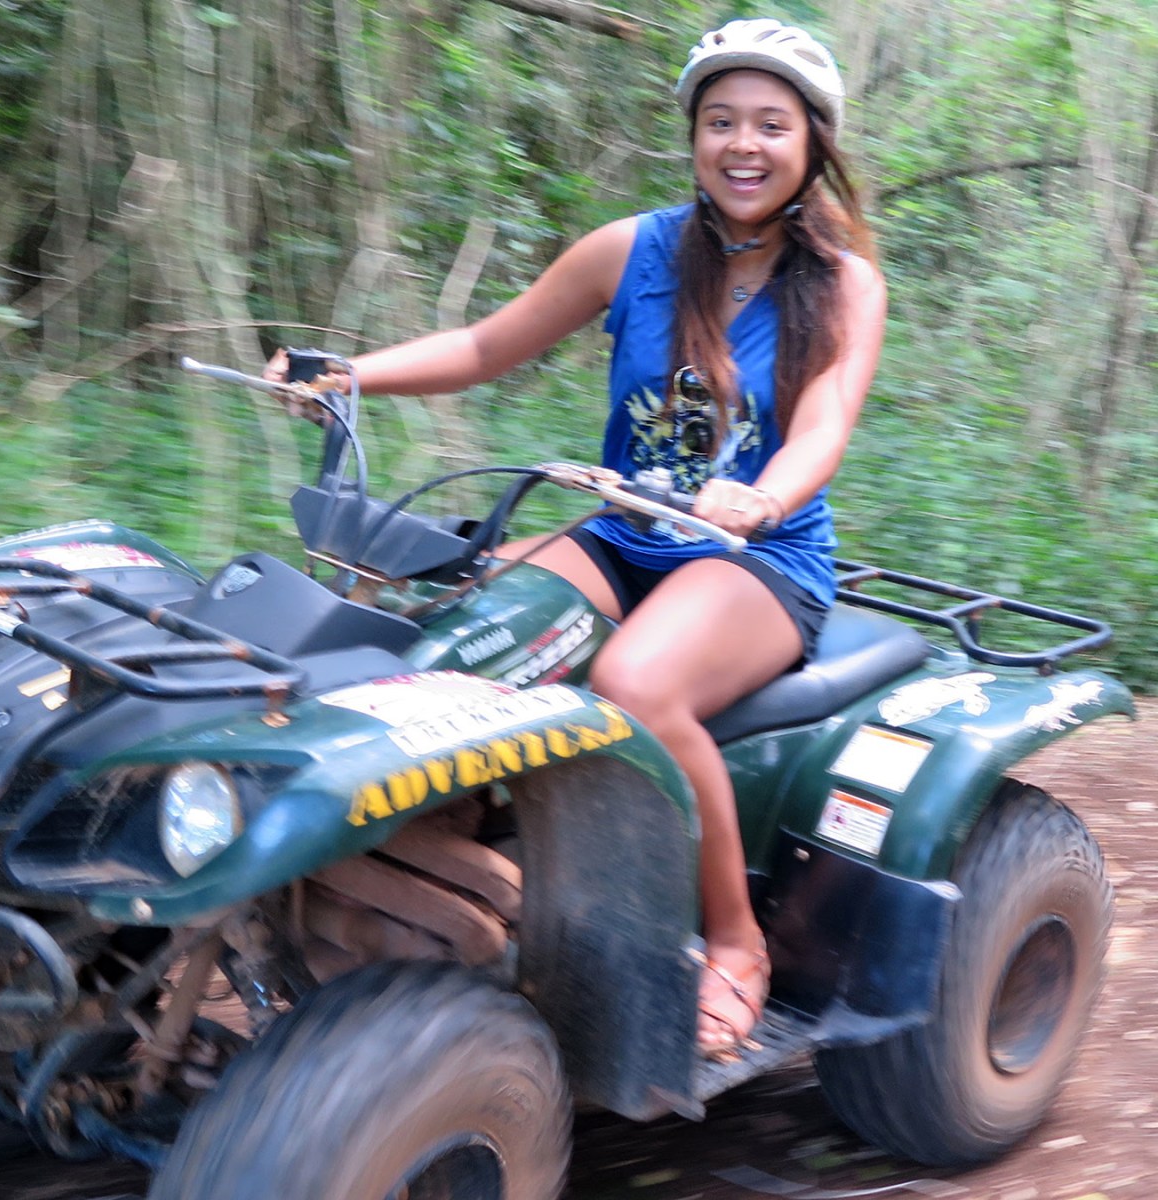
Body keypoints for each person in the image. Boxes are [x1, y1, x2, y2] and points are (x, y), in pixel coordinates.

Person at [264, 18, 886, 1058]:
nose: (744, 144)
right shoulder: (633, 251)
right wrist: (348, 374)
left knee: (639, 684)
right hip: (627, 537)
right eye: (721, 120)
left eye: (771, 125)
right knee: (450, 633)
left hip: (756, 560)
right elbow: (480, 344)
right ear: (693, 134)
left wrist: (760, 499)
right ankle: (430, 875)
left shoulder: (844, 285)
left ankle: (734, 943)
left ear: (813, 142)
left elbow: (822, 424)